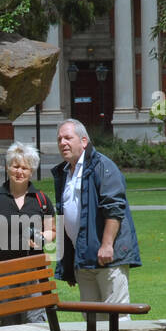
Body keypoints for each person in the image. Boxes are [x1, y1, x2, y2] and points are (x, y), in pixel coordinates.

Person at [51, 118, 140, 307]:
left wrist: (107, 245)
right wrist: (70, 262)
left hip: (108, 258)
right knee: (91, 317)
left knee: (116, 314)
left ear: (84, 141)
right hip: (83, 259)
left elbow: (115, 207)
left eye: (68, 138)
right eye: (59, 139)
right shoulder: (64, 173)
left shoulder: (103, 166)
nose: (62, 143)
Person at [0, 142, 56, 324]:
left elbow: (52, 230)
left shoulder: (41, 199)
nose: (20, 172)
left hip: (34, 272)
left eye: (25, 168)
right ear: (7, 167)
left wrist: (42, 238)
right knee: (7, 322)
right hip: (3, 271)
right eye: (15, 166)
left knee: (35, 322)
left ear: (31, 171)